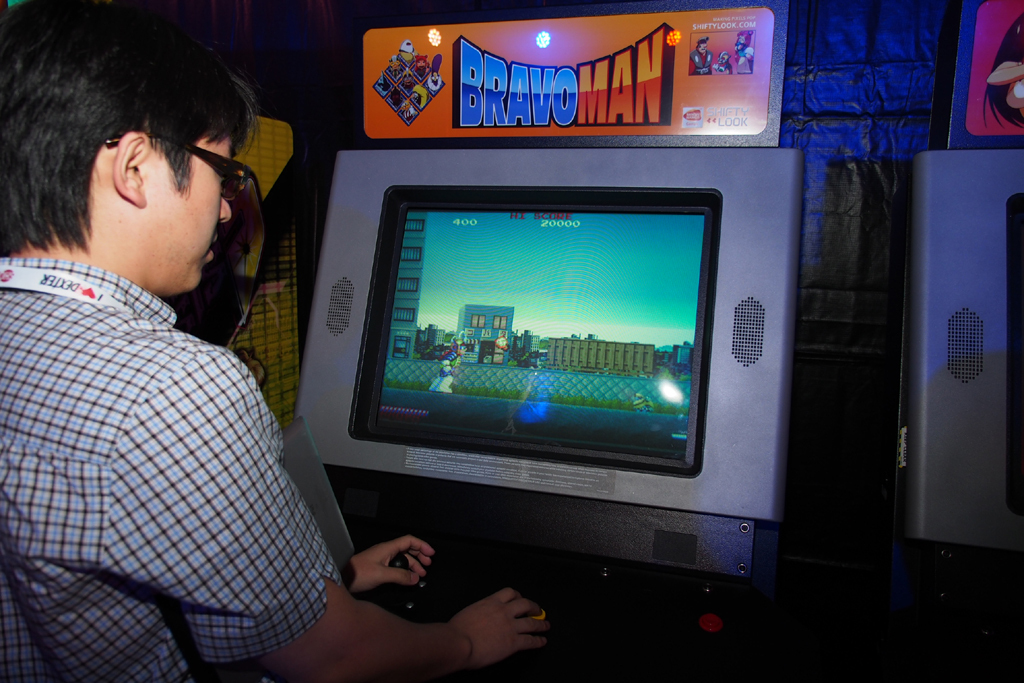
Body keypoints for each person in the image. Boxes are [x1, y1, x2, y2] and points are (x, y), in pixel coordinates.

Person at [0, 1, 548, 681]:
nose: (227, 205)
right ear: (135, 168)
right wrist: (463, 642)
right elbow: (333, 657)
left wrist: (323, 581)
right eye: (222, 171)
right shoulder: (173, 390)